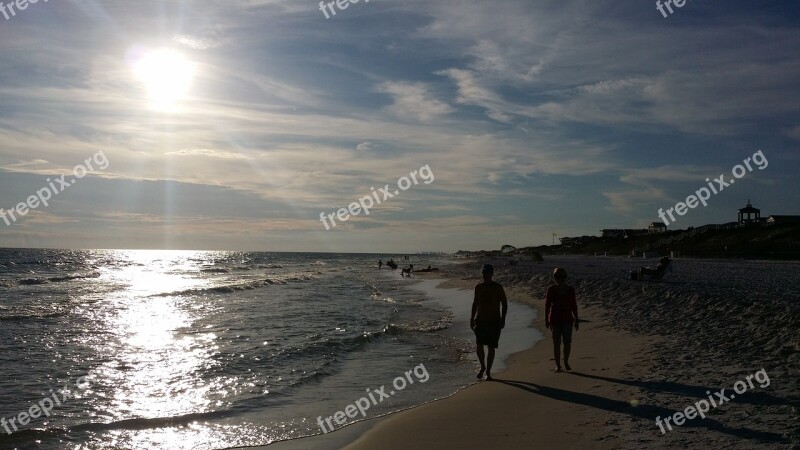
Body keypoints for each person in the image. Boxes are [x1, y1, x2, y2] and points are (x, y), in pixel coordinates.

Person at [470, 264, 508, 381]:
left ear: (492, 274)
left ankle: (488, 372)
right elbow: (475, 303)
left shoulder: (497, 287)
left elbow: (504, 303)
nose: (485, 275)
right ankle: (482, 366)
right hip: (480, 320)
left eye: (487, 273)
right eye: (484, 273)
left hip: (494, 321)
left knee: (491, 347)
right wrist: (471, 318)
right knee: (479, 345)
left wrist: (503, 319)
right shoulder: (478, 287)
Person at [545, 267, 579, 372]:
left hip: (568, 319)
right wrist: (546, 319)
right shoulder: (551, 290)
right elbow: (547, 305)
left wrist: (577, 319)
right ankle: (558, 365)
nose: (561, 278)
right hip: (555, 319)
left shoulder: (570, 290)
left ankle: (566, 362)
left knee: (567, 342)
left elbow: (574, 305)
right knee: (556, 343)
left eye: (563, 276)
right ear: (554, 277)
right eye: (558, 276)